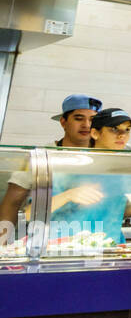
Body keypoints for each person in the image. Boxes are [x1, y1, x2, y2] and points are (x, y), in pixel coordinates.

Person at [0, 94, 102, 240]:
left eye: (92, 120)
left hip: (97, 238)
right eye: (78, 118)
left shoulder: (105, 156)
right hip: (46, 240)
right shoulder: (39, 157)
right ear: (63, 122)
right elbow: (12, 203)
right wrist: (1, 243)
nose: (86, 125)